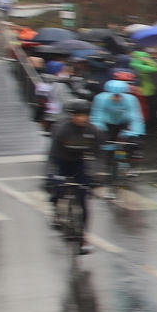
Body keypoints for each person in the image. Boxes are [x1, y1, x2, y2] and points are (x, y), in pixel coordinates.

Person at [45, 98, 103, 253]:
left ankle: (83, 237)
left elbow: (98, 157)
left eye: (84, 115)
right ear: (71, 116)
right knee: (57, 189)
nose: (81, 118)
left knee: (84, 202)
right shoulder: (62, 130)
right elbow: (51, 156)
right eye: (77, 115)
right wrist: (49, 177)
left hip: (79, 163)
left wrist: (95, 177)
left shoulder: (93, 132)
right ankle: (56, 210)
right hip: (61, 161)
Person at [90, 71, 146, 181]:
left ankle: (126, 164)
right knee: (104, 144)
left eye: (119, 95)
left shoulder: (131, 99)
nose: (117, 98)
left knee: (127, 144)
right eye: (114, 95)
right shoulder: (100, 98)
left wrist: (135, 133)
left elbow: (135, 117)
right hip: (106, 123)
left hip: (122, 122)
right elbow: (97, 116)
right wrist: (99, 130)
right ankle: (105, 163)